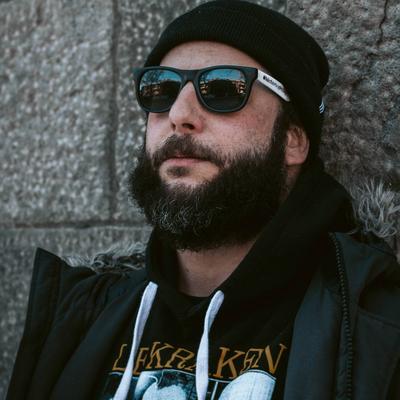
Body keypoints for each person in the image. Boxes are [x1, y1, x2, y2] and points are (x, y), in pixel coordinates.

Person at [7, 1, 400, 399]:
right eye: (160, 89)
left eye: (223, 88)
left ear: (292, 140)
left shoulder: (376, 326)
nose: (179, 114)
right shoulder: (80, 317)